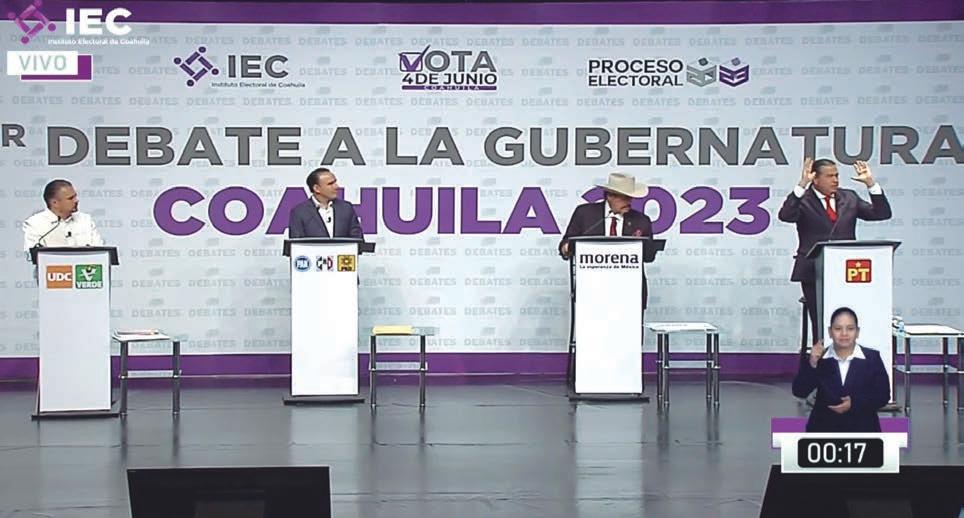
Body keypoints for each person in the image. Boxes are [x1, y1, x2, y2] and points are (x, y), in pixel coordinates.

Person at [778, 158, 891, 341]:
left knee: (847, 317)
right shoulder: (803, 200)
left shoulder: (849, 197)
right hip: (813, 271)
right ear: (815, 179)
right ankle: (821, 353)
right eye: (829, 176)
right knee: (820, 320)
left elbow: (881, 213)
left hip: (847, 272)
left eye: (836, 175)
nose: (835, 180)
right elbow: (786, 215)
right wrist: (802, 184)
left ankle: (849, 355)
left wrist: (871, 184)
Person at [792, 307, 890, 432]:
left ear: (857, 332)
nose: (844, 333)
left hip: (863, 431)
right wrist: (812, 364)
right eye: (838, 329)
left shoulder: (872, 358)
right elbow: (799, 391)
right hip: (823, 431)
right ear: (830, 332)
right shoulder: (819, 359)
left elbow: (883, 395)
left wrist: (854, 403)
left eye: (850, 328)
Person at [22, 179, 104, 252]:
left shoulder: (85, 220)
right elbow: (33, 255)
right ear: (55, 203)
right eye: (70, 198)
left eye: (75, 196)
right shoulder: (34, 224)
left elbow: (100, 250)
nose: (76, 200)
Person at [288, 167, 363, 239]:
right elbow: (296, 244)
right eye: (330, 184)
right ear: (316, 188)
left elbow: (357, 240)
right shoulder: (299, 212)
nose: (336, 186)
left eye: (335, 182)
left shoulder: (346, 208)